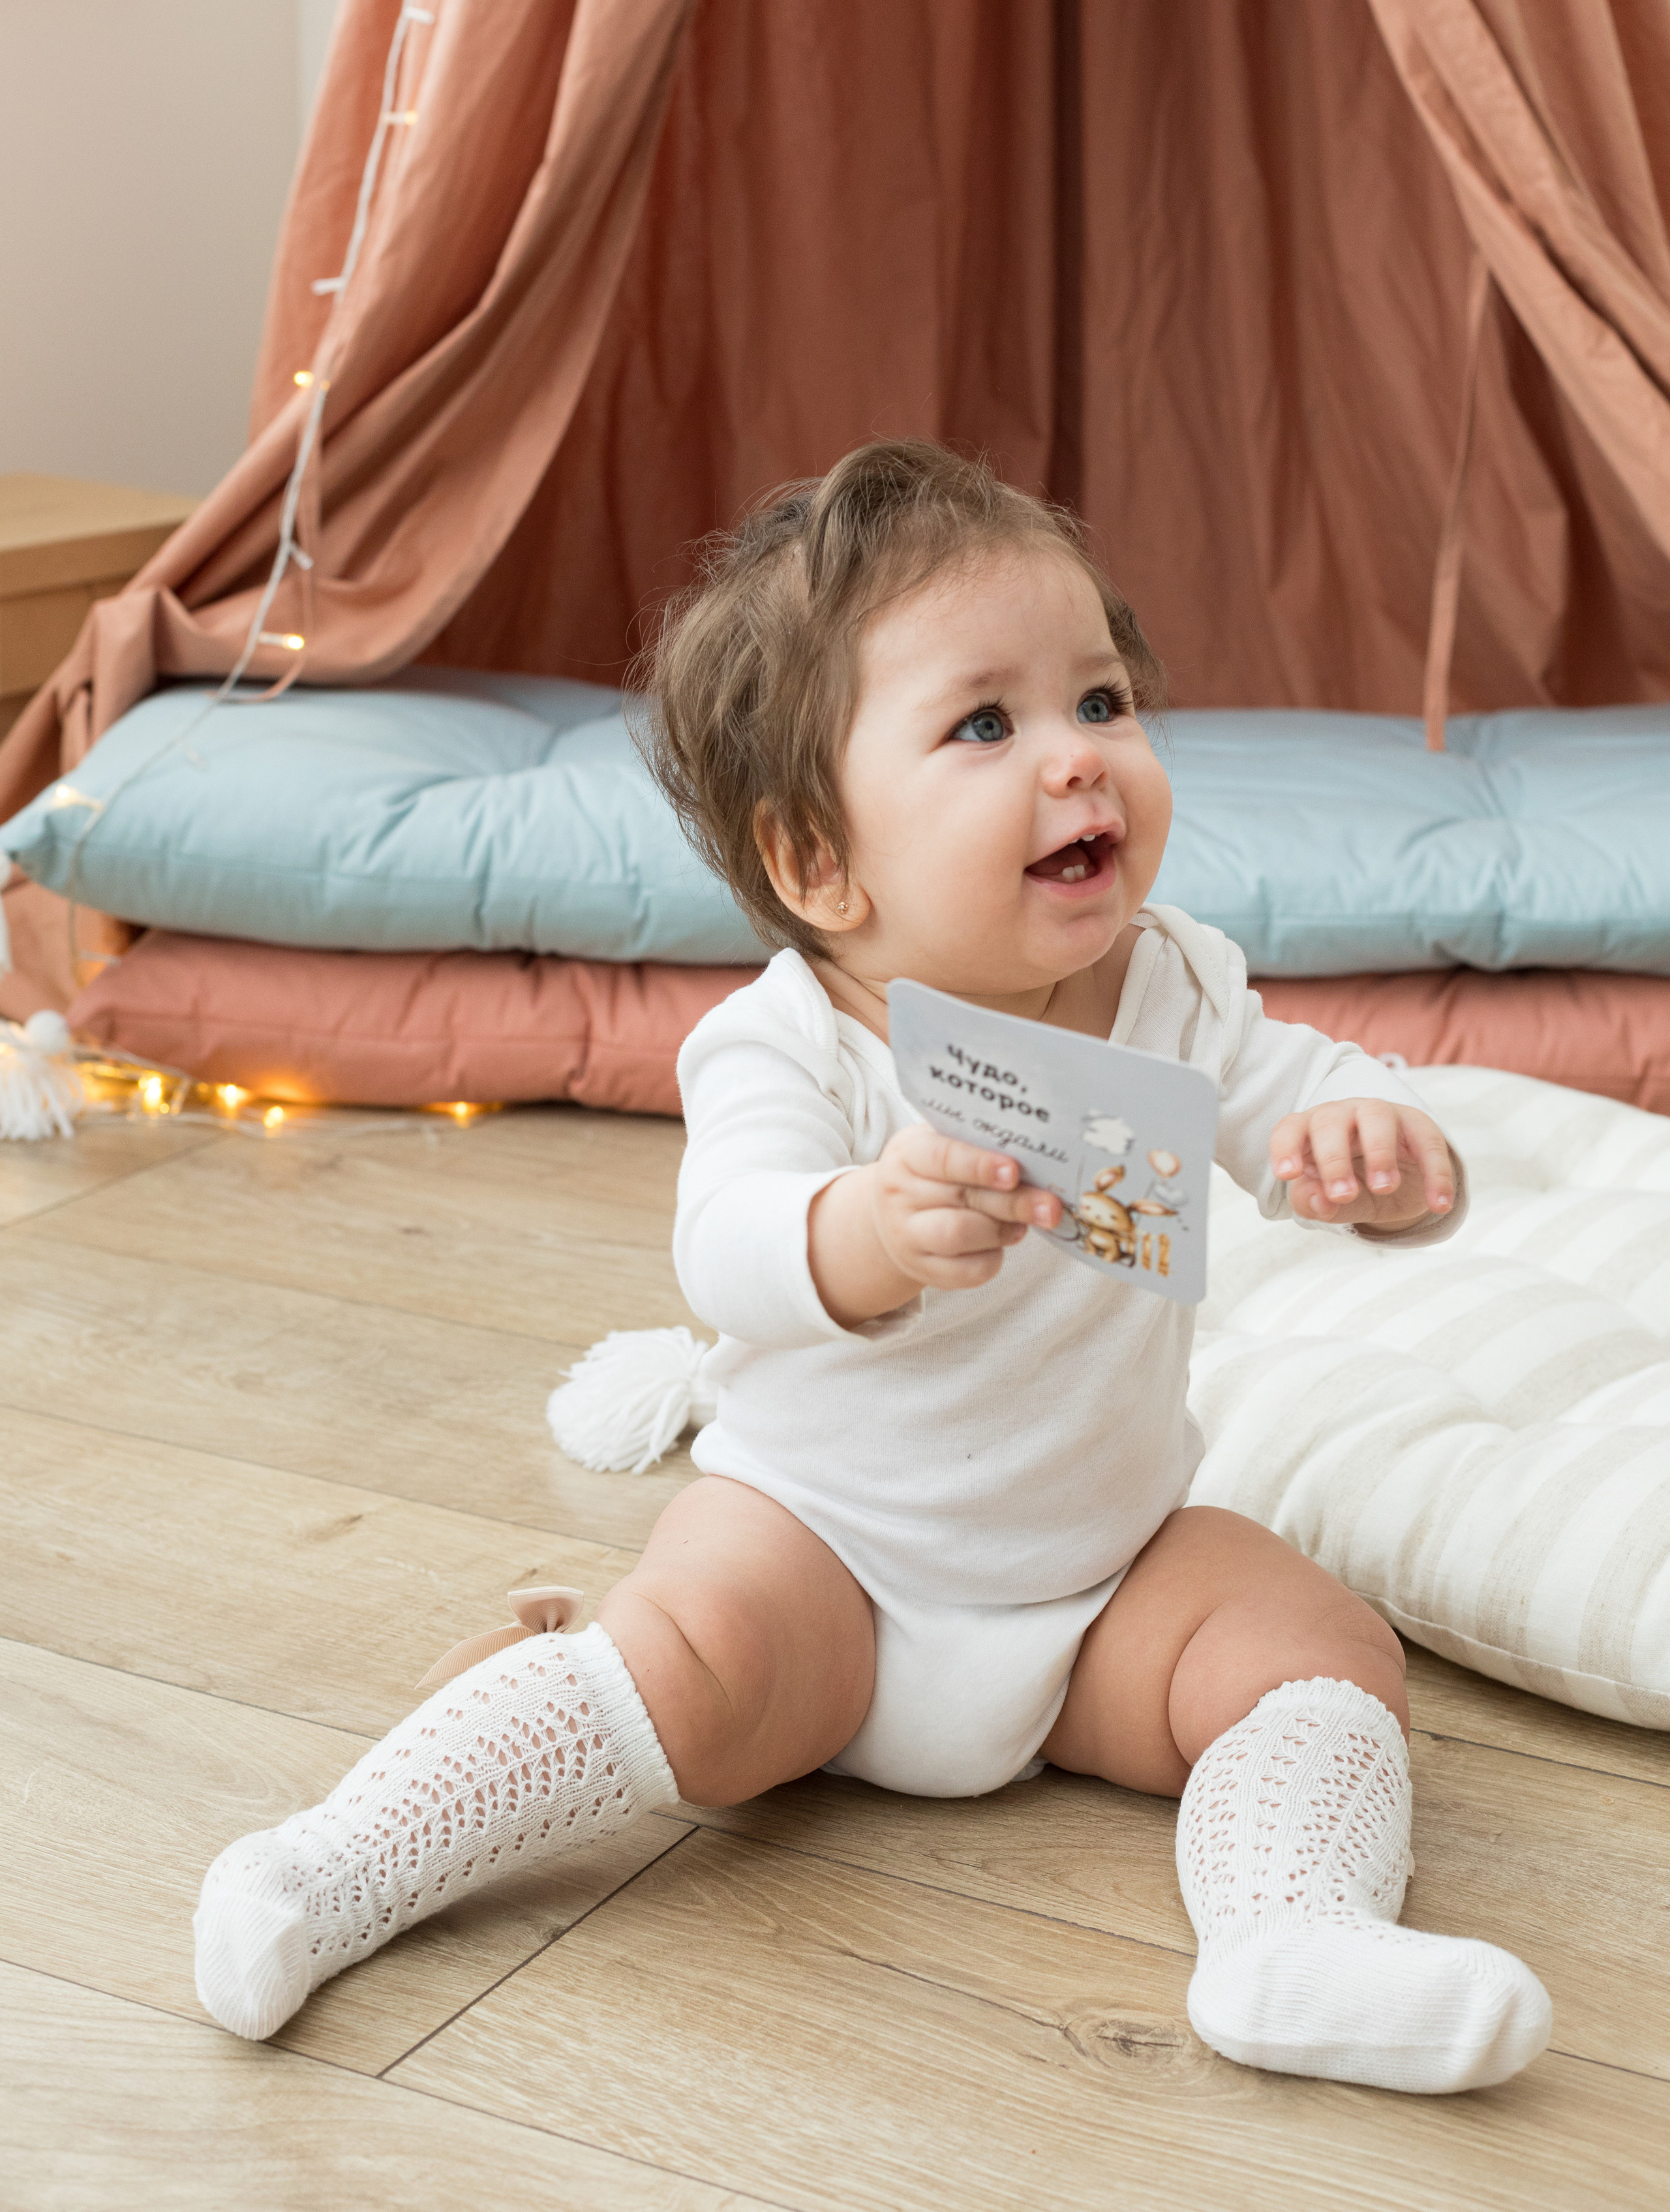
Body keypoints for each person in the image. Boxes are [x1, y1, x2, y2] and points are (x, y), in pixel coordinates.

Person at [194, 440, 1551, 2091]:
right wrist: (861, 1234)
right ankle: (334, 1866)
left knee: (1316, 1644)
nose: (1077, 756)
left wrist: (1376, 1152)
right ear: (815, 862)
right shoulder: (785, 1043)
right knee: (683, 1655)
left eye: (1099, 700)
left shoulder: (1173, 986)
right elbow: (725, 1244)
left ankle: (1288, 1940)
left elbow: (1297, 1107)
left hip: (1096, 1588)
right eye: (984, 724)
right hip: (827, 1565)